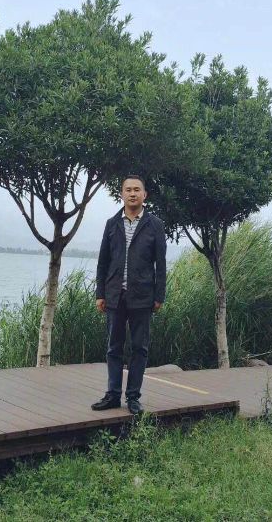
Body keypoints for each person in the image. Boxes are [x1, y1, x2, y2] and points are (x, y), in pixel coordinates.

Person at [91, 175, 167, 415]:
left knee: (139, 348)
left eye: (137, 190)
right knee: (113, 347)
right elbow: (103, 262)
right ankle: (113, 395)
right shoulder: (112, 223)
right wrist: (100, 293)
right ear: (121, 194)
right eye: (128, 190)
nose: (132, 193)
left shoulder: (155, 225)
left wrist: (159, 295)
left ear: (145, 195)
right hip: (114, 295)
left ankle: (133, 397)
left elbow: (161, 264)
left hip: (143, 296)